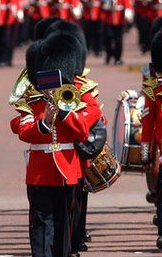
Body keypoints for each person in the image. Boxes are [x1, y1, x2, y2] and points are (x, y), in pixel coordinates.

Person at [11, 34, 101, 257]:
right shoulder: (30, 103)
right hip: (39, 171)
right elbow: (23, 130)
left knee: (63, 222)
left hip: (67, 170)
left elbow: (81, 131)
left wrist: (62, 111)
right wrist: (44, 122)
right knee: (41, 222)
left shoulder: (73, 100)